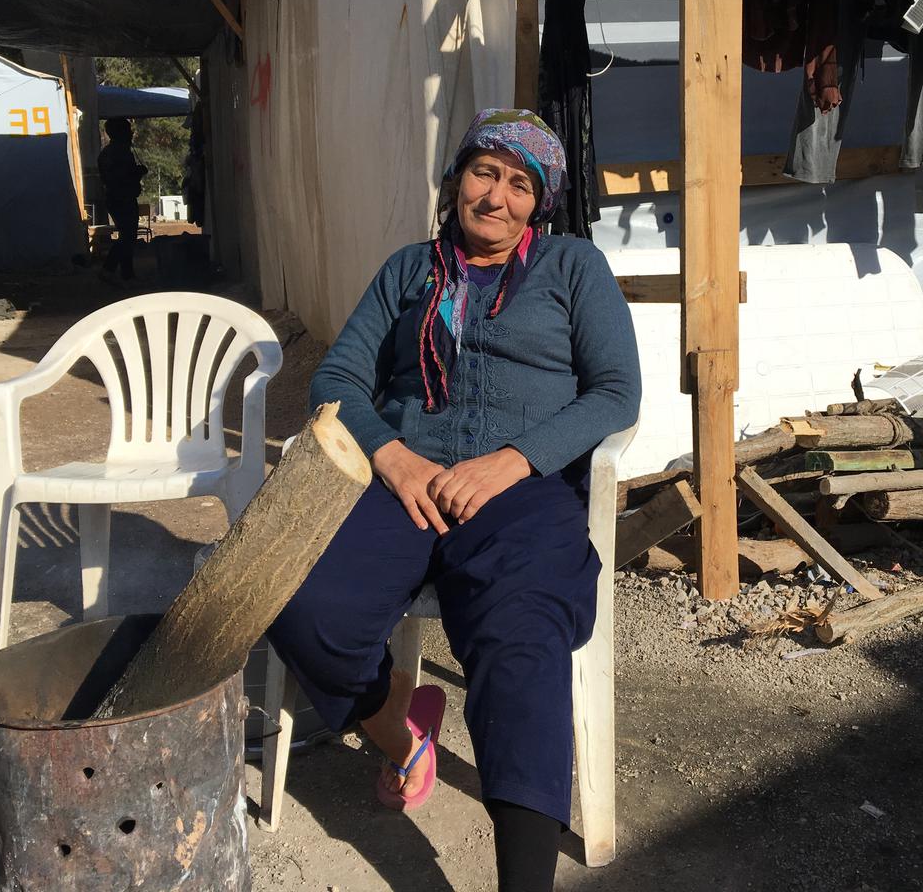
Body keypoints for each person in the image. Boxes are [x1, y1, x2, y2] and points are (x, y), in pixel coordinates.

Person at [268, 109, 642, 890]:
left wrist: (513, 462)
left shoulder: (574, 267)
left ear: (540, 203)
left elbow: (616, 393)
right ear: (456, 178)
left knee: (521, 641)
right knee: (306, 607)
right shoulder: (409, 269)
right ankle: (404, 742)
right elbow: (337, 378)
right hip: (405, 483)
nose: (496, 197)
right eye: (484, 172)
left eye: (519, 183)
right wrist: (395, 457)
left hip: (521, 493)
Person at [98, 117, 147, 282]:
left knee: (128, 236)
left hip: (116, 197)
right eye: (128, 130)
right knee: (127, 236)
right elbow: (121, 176)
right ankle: (109, 269)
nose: (131, 134)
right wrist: (138, 172)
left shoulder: (109, 152)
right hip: (122, 198)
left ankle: (127, 274)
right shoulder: (119, 152)